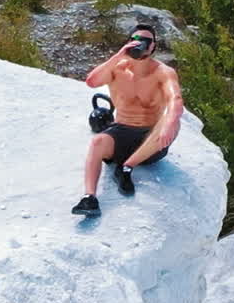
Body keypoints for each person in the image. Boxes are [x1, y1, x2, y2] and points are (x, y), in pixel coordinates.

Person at [72, 21, 183, 217]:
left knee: (172, 122)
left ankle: (126, 168)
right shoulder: (118, 68)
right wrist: (119, 55)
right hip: (121, 131)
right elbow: (91, 81)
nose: (140, 44)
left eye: (146, 41)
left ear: (153, 46)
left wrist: (171, 123)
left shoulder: (162, 72)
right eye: (135, 39)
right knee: (98, 142)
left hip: (150, 142)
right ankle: (89, 198)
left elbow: (175, 100)